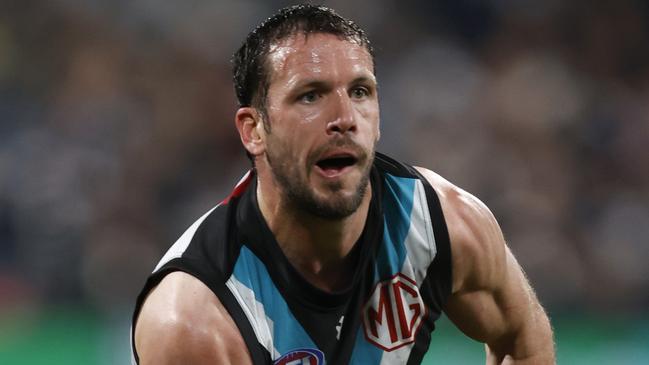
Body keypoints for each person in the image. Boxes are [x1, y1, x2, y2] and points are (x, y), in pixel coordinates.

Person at [131, 4, 555, 365]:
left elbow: (521, 338)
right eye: (310, 96)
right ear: (254, 130)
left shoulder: (444, 222)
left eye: (360, 91)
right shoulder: (195, 319)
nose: (345, 118)